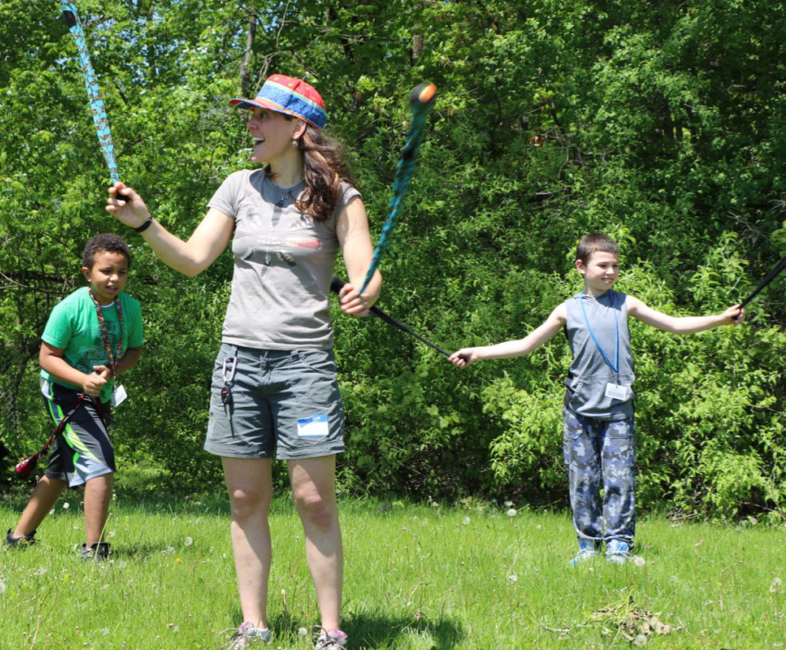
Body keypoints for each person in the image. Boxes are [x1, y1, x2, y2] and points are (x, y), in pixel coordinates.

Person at [106, 74, 379, 649]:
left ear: (297, 128)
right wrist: (145, 223)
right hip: (239, 366)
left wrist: (364, 291)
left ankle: (331, 631)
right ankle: (253, 626)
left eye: (262, 116)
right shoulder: (238, 187)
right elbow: (193, 259)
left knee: (313, 499)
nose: (250, 125)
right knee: (244, 498)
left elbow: (365, 271)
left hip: (305, 368)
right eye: (250, 114)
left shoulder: (341, 197)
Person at [449, 233, 744, 565]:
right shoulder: (567, 310)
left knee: (620, 480)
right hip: (579, 413)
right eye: (603, 265)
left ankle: (619, 545)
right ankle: (588, 547)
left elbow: (675, 324)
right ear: (581, 267)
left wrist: (719, 319)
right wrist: (477, 352)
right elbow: (525, 344)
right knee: (583, 481)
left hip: (618, 412)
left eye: (615, 266)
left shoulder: (626, 303)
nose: (610, 272)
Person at [6, 233, 143, 560]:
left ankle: (19, 538)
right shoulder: (70, 308)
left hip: (99, 394)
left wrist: (111, 372)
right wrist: (83, 380)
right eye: (106, 271)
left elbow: (134, 351)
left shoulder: (131, 308)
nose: (114, 279)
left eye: (121, 272)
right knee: (99, 462)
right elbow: (47, 357)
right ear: (87, 273)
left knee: (62, 470)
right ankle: (94, 550)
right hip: (63, 392)